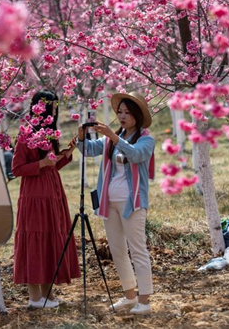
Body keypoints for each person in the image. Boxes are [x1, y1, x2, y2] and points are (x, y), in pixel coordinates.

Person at [77, 92, 155, 315]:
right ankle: (130, 296)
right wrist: (82, 137)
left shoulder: (145, 139)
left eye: (127, 113)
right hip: (108, 202)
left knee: (137, 249)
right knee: (117, 250)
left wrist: (114, 137)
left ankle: (145, 301)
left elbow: (137, 155)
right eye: (119, 112)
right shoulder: (111, 140)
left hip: (133, 203)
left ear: (137, 116)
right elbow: (88, 150)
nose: (122, 116)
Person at [12, 89, 81, 308]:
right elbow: (17, 168)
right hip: (34, 195)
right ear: (37, 107)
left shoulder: (50, 131)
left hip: (52, 192)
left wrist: (66, 154)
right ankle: (34, 298)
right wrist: (42, 164)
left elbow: (53, 165)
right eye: (47, 105)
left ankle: (47, 295)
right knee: (35, 241)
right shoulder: (26, 133)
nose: (51, 109)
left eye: (53, 105)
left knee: (50, 240)